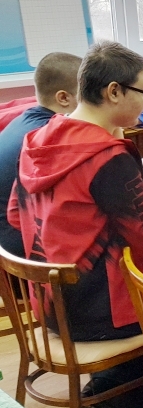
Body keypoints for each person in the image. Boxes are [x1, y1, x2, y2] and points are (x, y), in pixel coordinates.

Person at [9, 41, 143, 408]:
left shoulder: (39, 139)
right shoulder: (107, 156)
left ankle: (118, 386)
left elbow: (16, 214)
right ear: (114, 91)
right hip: (100, 313)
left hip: (51, 304)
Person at [0, 52, 81, 256]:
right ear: (64, 98)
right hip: (15, 241)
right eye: (89, 93)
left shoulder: (22, 120)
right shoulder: (49, 137)